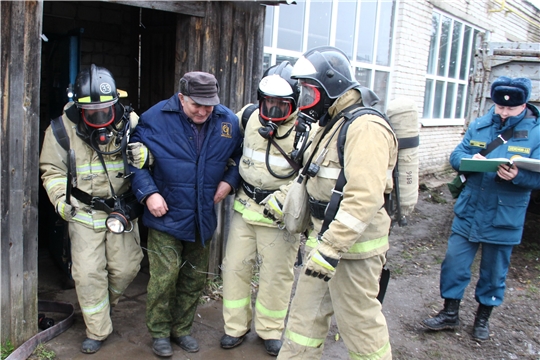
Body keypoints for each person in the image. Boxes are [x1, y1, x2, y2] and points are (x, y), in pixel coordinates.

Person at [264, 46, 397, 360]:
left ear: (331, 86)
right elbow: (314, 174)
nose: (303, 99)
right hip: (322, 245)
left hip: (351, 252)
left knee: (360, 326)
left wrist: (332, 248)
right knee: (303, 322)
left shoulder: (365, 127)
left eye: (309, 91)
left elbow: (364, 196)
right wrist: (285, 199)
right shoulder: (330, 123)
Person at [128, 71, 243, 357]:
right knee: (164, 277)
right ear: (181, 98)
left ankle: (181, 329)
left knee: (193, 279)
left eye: (209, 105)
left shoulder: (227, 121)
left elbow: (240, 157)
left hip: (202, 216)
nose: (204, 111)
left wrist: (230, 180)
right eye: (197, 105)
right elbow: (132, 160)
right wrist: (148, 193)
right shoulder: (154, 119)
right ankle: (159, 332)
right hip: (165, 212)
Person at [421, 76, 540, 341]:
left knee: (494, 272)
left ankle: (482, 320)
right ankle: (450, 314)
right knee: (454, 263)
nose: (504, 112)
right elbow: (455, 156)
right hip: (470, 209)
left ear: (524, 104)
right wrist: (467, 160)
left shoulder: (537, 132)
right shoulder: (480, 125)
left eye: (511, 108)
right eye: (500, 106)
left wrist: (518, 176)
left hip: (505, 215)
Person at [39, 64, 143, 354]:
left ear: (116, 104)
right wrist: (61, 199)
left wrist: (146, 155)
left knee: (124, 269)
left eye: (106, 112)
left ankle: (102, 308)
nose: (100, 119)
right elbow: (52, 170)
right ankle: (97, 329)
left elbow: (158, 160)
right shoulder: (61, 129)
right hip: (83, 213)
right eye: (92, 114)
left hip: (121, 213)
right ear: (79, 109)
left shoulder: (131, 123)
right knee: (87, 275)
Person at [220, 62, 301, 356]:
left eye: (282, 105)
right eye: (269, 102)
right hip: (244, 208)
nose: (274, 109)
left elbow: (309, 176)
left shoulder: (306, 129)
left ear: (294, 102)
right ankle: (234, 327)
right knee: (234, 269)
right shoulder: (249, 115)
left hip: (278, 217)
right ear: (260, 98)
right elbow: (231, 148)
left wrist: (287, 197)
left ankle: (270, 330)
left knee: (276, 277)